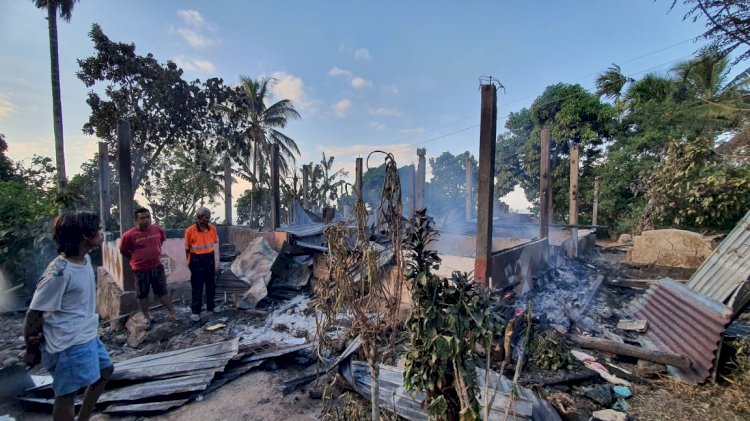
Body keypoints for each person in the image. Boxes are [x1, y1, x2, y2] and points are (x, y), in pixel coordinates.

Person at [23, 211, 113, 421]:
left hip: (86, 334)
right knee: (66, 395)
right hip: (68, 343)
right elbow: (34, 313)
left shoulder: (84, 259)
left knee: (105, 370)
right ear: (83, 236)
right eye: (97, 229)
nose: (101, 233)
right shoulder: (59, 272)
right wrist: (31, 349)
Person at [119, 207, 176, 326]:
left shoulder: (158, 230)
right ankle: (146, 316)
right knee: (142, 294)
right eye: (142, 218)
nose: (146, 220)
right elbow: (123, 250)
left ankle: (171, 313)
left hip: (157, 267)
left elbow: (161, 242)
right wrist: (136, 258)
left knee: (162, 291)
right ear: (136, 220)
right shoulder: (128, 235)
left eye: (148, 217)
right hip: (140, 270)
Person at [184, 207, 219, 321]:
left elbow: (214, 242)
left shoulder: (212, 228)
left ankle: (211, 306)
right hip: (196, 259)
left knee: (211, 285)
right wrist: (189, 262)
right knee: (197, 286)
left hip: (209, 258)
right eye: (205, 217)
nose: (208, 219)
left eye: (209, 217)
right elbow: (187, 248)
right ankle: (196, 311)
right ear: (199, 218)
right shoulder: (190, 230)